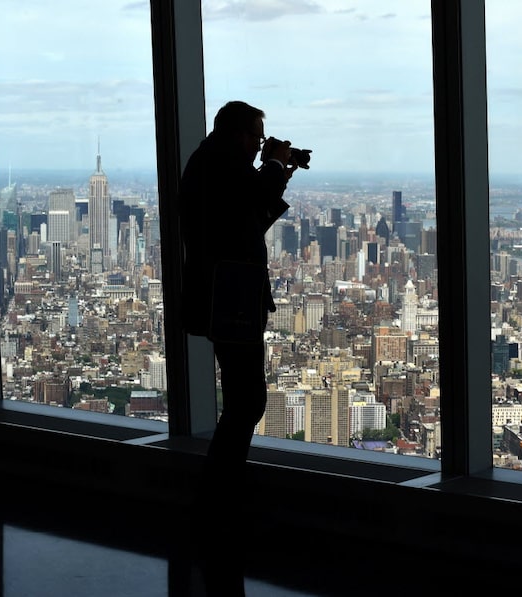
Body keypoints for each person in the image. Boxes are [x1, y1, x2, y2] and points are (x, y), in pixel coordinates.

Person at [178, 101, 303, 591]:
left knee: (245, 398)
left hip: (230, 293)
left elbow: (250, 218)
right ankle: (219, 501)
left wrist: (277, 171)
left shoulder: (216, 164)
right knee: (247, 399)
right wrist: (272, 164)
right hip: (227, 296)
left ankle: (220, 499)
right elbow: (245, 202)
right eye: (255, 136)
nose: (258, 144)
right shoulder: (219, 165)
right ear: (234, 133)